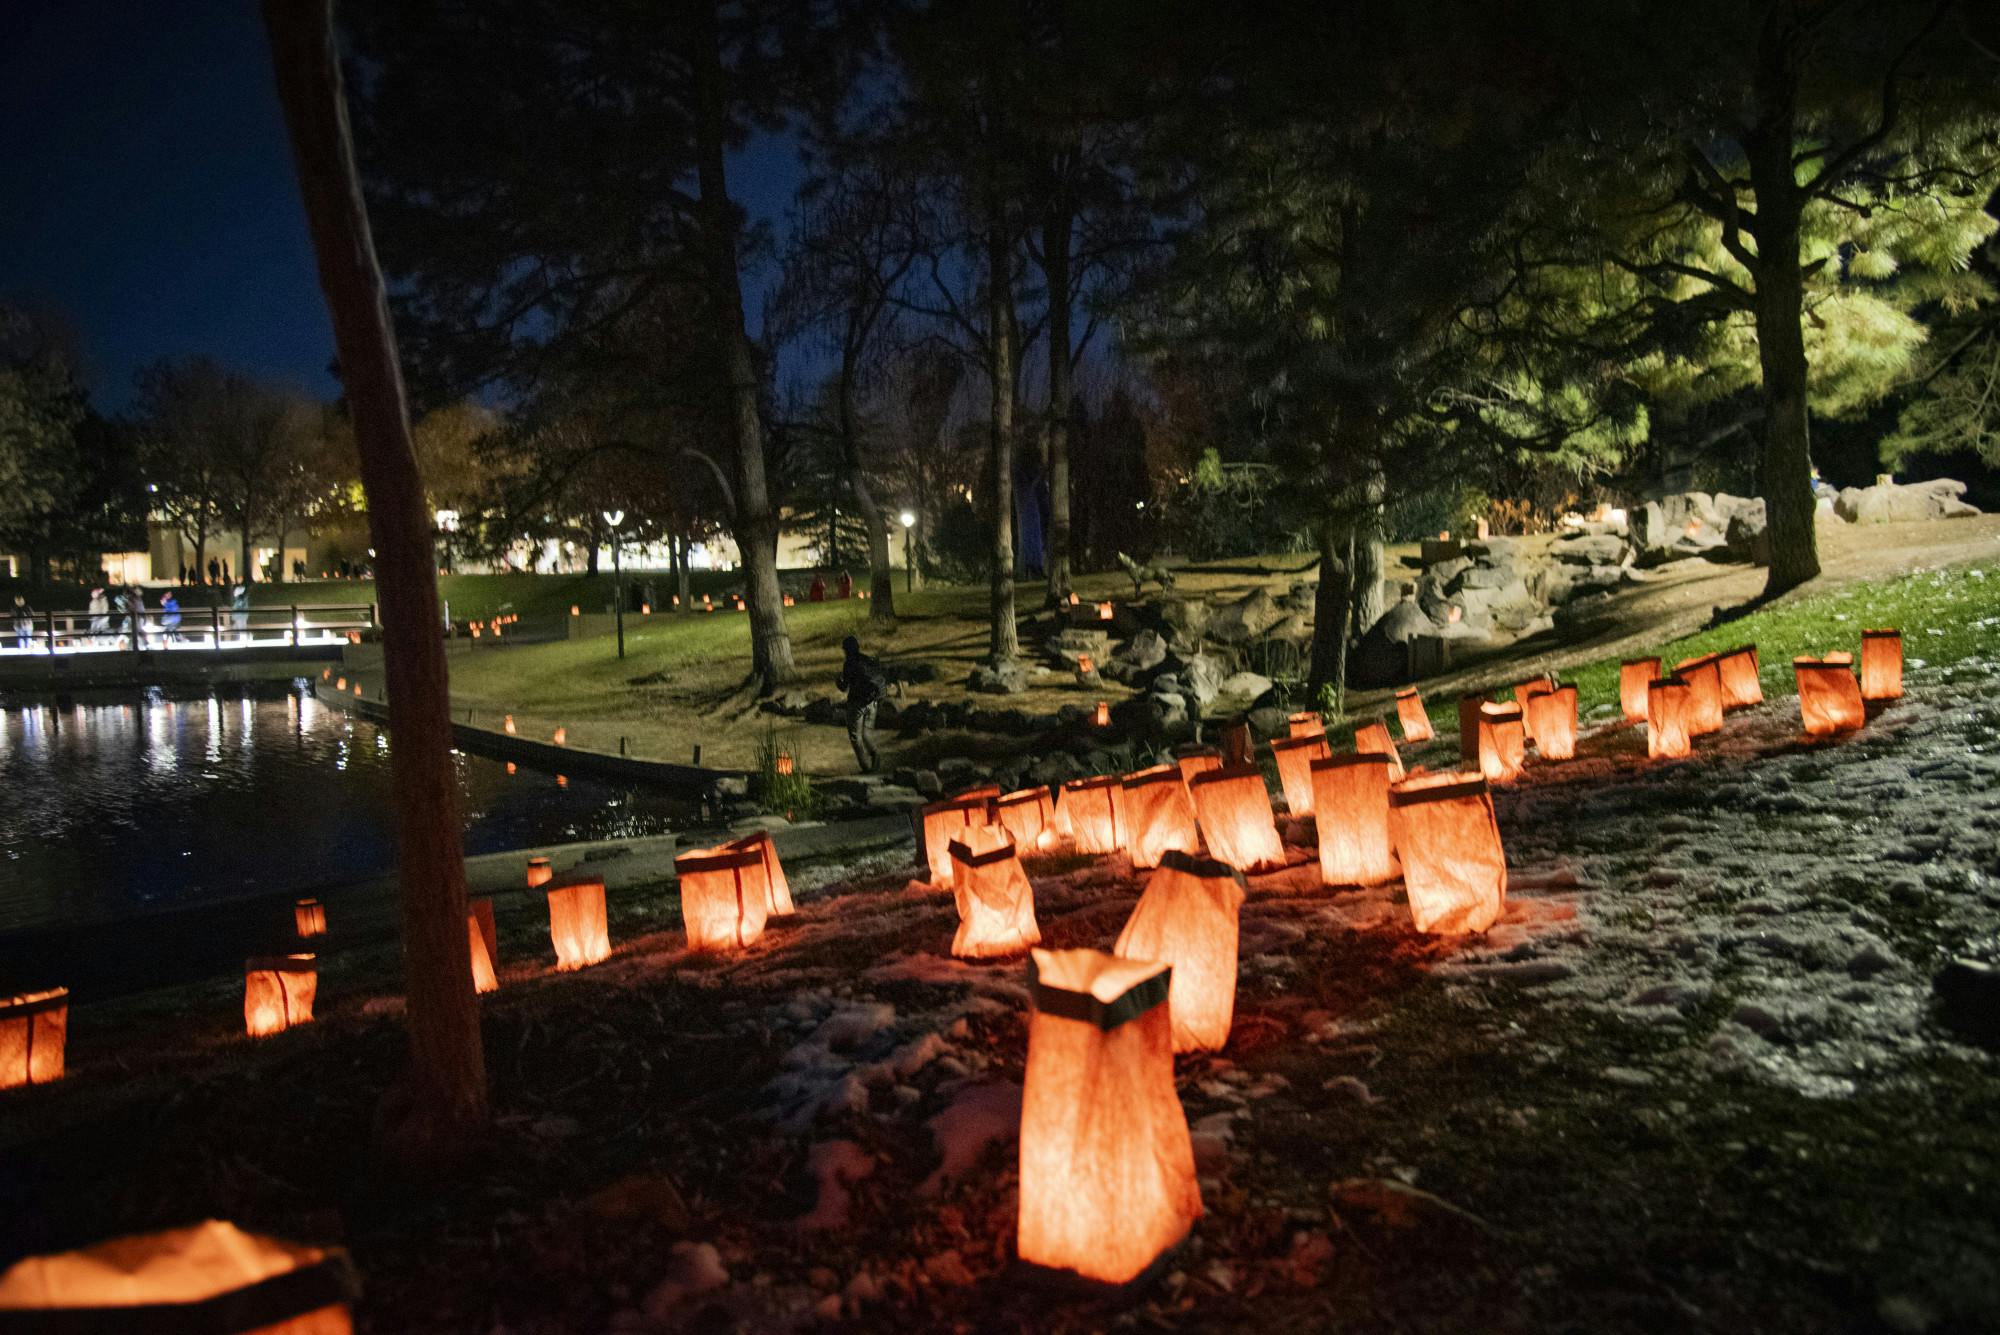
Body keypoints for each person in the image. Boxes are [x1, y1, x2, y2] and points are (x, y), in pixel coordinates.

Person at [835, 634, 886, 774]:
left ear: (847, 650)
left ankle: (866, 768)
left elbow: (844, 687)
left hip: (856, 704)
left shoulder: (849, 663)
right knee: (866, 734)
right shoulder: (867, 660)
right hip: (872, 703)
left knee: (855, 737)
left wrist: (838, 681)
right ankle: (875, 755)